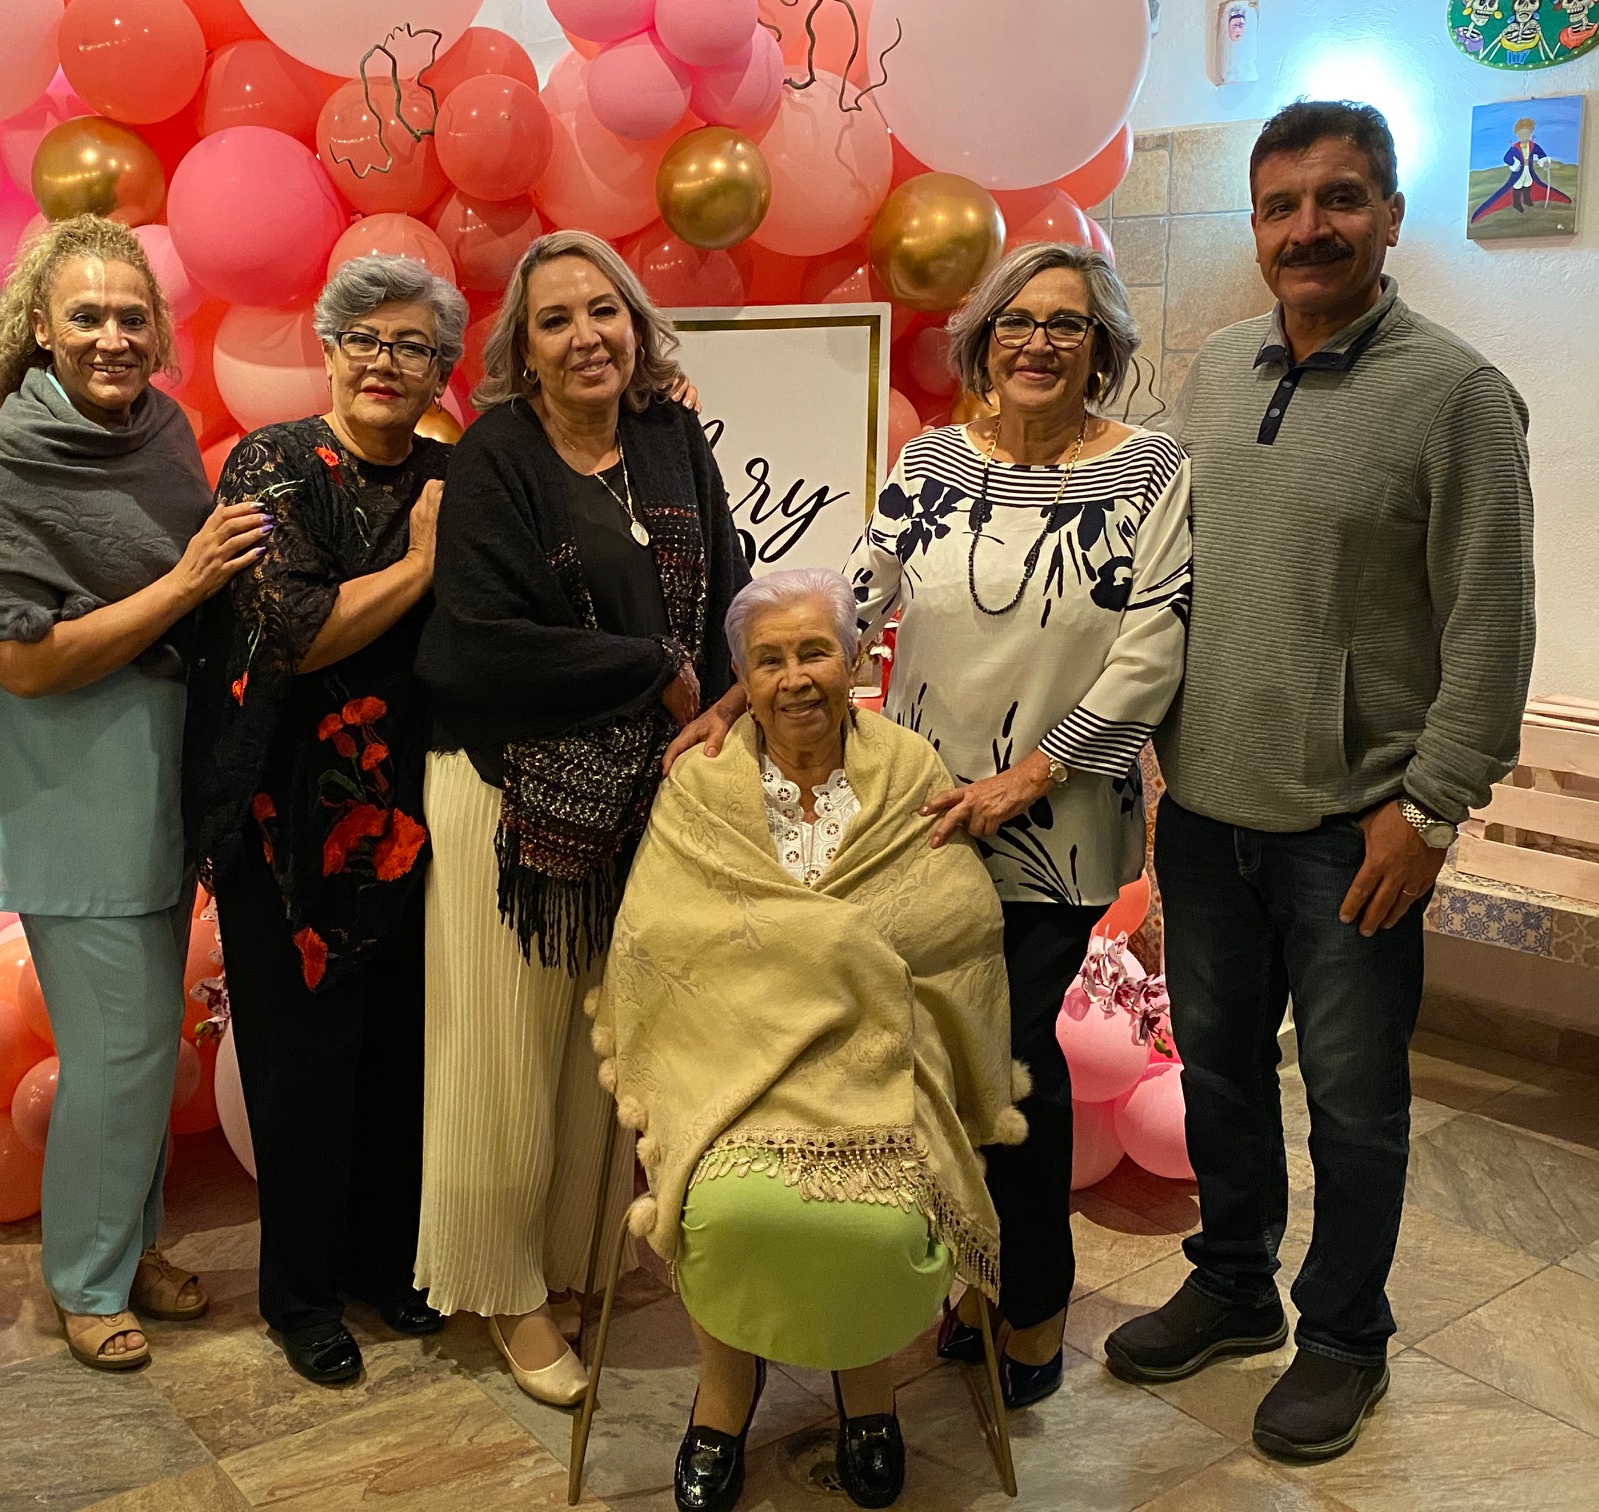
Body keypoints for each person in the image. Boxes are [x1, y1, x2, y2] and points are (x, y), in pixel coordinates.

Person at [674, 241, 1191, 1410]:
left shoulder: (1151, 470)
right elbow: (854, 597)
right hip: (915, 816)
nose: (1039, 343)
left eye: (1066, 323)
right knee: (930, 1066)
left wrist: (1030, 777)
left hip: (1055, 824)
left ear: (1101, 346)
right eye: (1017, 321)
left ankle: (1032, 1304)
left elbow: (1155, 644)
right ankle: (961, 1275)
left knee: (1011, 1070)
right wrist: (747, 689)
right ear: (983, 341)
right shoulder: (932, 463)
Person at [1104, 101, 1535, 1462]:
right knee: (1221, 1077)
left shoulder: (1458, 395)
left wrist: (1431, 807)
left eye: (1340, 200)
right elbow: (1174, 584)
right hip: (1210, 817)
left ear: (1392, 215)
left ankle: (1345, 1335)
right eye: (1282, 206)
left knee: (1354, 1104)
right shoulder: (1221, 370)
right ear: (1256, 226)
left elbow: (1492, 624)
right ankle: (1233, 1285)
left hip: (1356, 833)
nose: (1309, 229)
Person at [593, 569, 1024, 1512]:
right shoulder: (702, 783)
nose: (796, 679)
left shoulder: (911, 769)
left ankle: (867, 1388)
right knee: (727, 1210)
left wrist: (821, 957)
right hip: (731, 1063)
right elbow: (660, 938)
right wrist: (825, 951)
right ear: (742, 675)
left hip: (883, 1054)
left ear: (857, 657)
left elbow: (954, 922)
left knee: (878, 1221)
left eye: (816, 651)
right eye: (770, 659)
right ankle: (725, 1391)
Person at [414, 230, 749, 1406]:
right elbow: (475, 646)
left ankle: (566, 1260)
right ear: (523, 349)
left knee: (594, 1053)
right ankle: (498, 1290)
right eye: (554, 320)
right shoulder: (497, 455)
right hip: (512, 798)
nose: (585, 336)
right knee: (499, 1054)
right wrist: (653, 673)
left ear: (636, 322)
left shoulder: (667, 437)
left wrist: (723, 702)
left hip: (639, 795)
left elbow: (723, 580)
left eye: (602, 310)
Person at [0, 214, 267, 1371]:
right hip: (67, 783)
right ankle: (85, 1278)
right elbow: (24, 663)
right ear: (39, 326)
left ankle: (123, 1248)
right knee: (119, 1050)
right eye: (86, 316)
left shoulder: (163, 431)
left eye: (133, 316)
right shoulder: (1, 465)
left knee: (136, 1046)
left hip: (155, 778)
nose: (113, 337)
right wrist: (186, 583)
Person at [182, 255, 464, 1385]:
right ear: (333, 346)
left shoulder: (456, 467)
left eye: (416, 347)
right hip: (284, 822)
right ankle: (300, 1296)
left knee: (402, 1062)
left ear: (444, 368)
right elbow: (294, 628)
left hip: (419, 813)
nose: (389, 363)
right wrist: (425, 562)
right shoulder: (278, 462)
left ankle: (387, 1268)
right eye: (370, 340)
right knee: (300, 1071)